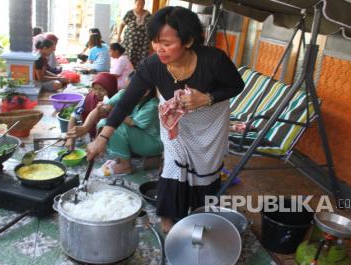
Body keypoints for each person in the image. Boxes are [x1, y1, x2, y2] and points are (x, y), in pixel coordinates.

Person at [86, 6, 244, 233]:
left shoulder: (214, 60)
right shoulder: (153, 65)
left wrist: (207, 98)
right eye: (155, 41)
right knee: (172, 166)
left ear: (188, 41)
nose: (159, 48)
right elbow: (125, 102)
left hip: (209, 123)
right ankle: (170, 221)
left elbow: (237, 85)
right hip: (176, 124)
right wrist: (102, 137)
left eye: (167, 43)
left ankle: (199, 214)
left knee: (204, 170)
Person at [93, 86, 163, 176]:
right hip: (137, 137)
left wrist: (113, 111)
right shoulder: (124, 93)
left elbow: (131, 122)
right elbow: (107, 106)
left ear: (146, 92)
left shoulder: (153, 105)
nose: (127, 90)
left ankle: (125, 166)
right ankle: (120, 158)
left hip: (153, 143)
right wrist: (102, 108)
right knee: (103, 123)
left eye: (132, 86)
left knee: (115, 128)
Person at [65, 72, 118, 148]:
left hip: (113, 139)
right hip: (93, 136)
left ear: (111, 89)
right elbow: (74, 116)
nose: (97, 93)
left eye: (102, 90)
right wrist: (70, 138)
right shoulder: (89, 98)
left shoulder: (117, 101)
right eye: (95, 89)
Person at [117, 0, 151, 68]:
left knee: (142, 59)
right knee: (129, 57)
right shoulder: (130, 13)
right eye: (138, 4)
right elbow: (122, 25)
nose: (140, 6)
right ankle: (128, 74)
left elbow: (151, 27)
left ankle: (139, 74)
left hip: (143, 42)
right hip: (130, 42)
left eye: (142, 4)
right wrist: (119, 36)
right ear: (135, 3)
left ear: (144, 4)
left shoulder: (148, 15)